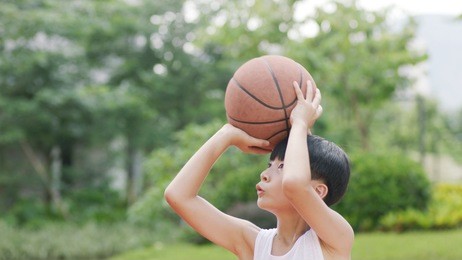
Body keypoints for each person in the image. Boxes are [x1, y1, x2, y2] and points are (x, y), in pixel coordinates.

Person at [164, 80, 354, 260]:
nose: (265, 174)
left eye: (282, 166)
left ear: (318, 190)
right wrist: (226, 135)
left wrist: (300, 124)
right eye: (269, 165)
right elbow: (178, 196)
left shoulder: (335, 239)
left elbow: (294, 184)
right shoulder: (255, 244)